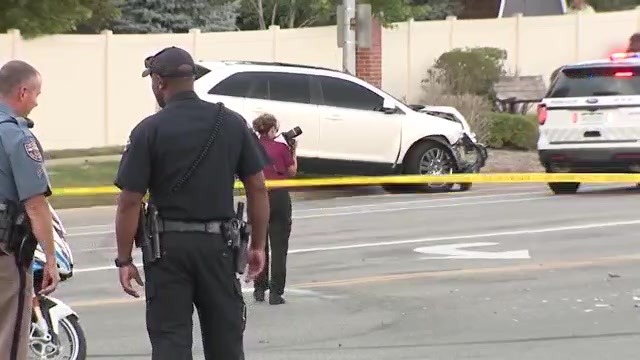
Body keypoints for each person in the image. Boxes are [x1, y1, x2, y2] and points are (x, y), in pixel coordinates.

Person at [112, 46, 270, 360]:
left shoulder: (148, 130)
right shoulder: (231, 123)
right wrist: (257, 245)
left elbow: (130, 201)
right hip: (219, 247)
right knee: (225, 340)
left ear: (159, 82)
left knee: (170, 340)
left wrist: (124, 258)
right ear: (193, 78)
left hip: (166, 250)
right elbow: (258, 188)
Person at [0, 60, 59, 360]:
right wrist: (50, 260)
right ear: (23, 92)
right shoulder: (17, 137)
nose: (37, 101)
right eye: (36, 93)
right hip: (5, 256)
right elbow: (36, 205)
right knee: (10, 337)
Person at [251, 113, 297, 305]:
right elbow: (291, 172)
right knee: (279, 246)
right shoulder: (281, 148)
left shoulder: (252, 149)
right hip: (279, 197)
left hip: (257, 197)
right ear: (271, 130)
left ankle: (259, 288)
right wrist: (293, 151)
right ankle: (276, 292)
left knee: (259, 244)